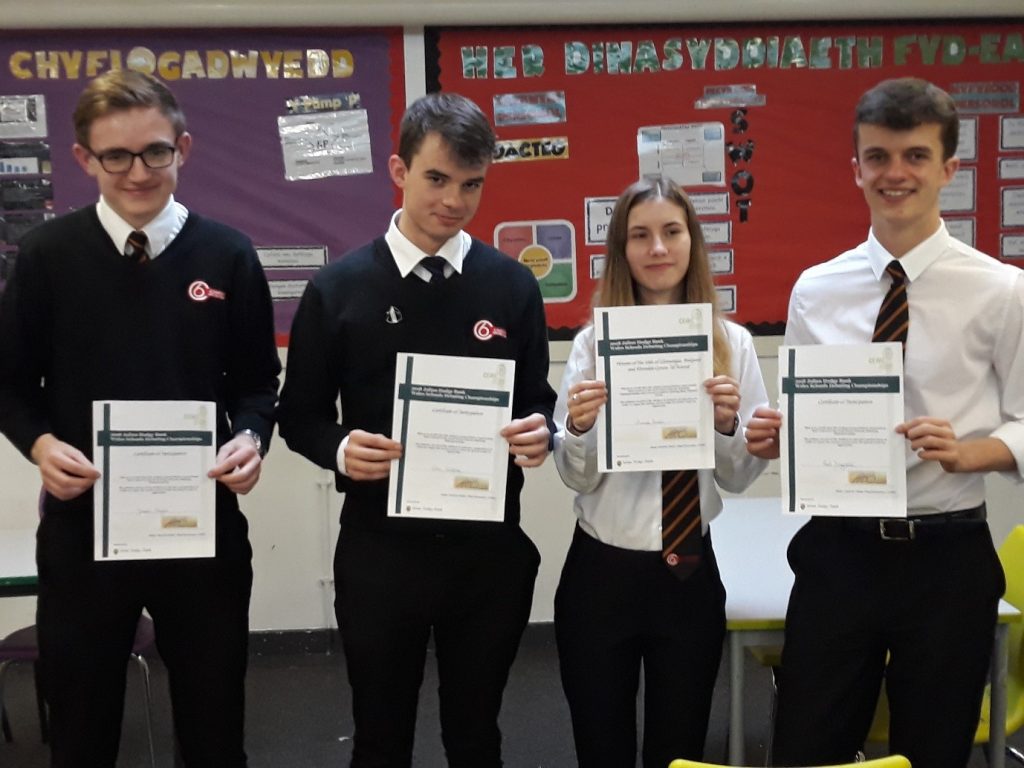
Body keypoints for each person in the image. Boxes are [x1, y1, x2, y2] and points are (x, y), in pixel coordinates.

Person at [0, 70, 281, 766]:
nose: (137, 172)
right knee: (83, 732)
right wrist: (38, 445)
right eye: (115, 156)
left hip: (202, 529)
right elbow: (8, 384)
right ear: (83, 160)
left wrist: (251, 437)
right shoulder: (46, 256)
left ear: (183, 147)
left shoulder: (228, 254)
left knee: (215, 729)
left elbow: (256, 384)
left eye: (155, 151)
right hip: (83, 529)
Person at [746, 77, 1024, 768]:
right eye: (878, 157)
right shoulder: (818, 287)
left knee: (933, 749)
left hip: (947, 555)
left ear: (948, 169)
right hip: (839, 553)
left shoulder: (1001, 289)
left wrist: (971, 452)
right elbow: (807, 415)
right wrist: (782, 437)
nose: (894, 173)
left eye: (915, 156)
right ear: (857, 169)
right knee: (809, 746)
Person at [275, 91, 556, 768]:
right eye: (437, 179)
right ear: (399, 171)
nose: (454, 201)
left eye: (471, 184)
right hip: (381, 552)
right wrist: (341, 448)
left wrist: (542, 431)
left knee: (476, 734)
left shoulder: (511, 285)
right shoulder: (339, 290)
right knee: (380, 735)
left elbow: (538, 399)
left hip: (487, 552)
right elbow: (298, 416)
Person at [552, 177, 770, 768]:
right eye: (639, 236)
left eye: (671, 232)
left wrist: (727, 427)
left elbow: (740, 478)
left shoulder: (733, 345)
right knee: (602, 747)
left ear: (692, 243)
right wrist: (578, 428)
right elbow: (576, 478)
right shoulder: (594, 344)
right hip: (601, 574)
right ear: (621, 250)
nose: (657, 249)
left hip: (688, 574)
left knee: (680, 750)